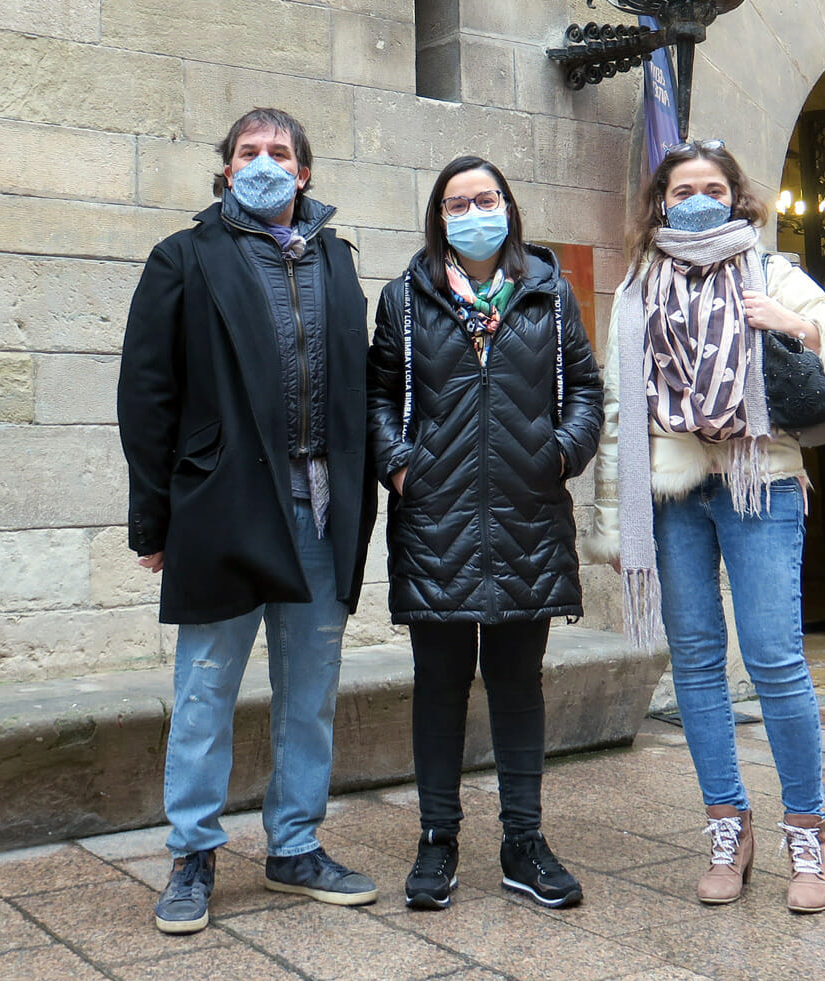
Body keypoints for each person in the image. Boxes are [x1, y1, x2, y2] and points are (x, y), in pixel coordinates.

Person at [581, 139, 825, 913]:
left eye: (713, 186)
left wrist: (798, 328)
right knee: (697, 666)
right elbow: (620, 415)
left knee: (777, 659)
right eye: (683, 190)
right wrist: (616, 528)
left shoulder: (773, 273)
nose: (698, 199)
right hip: (675, 494)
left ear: (739, 197)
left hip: (762, 486)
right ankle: (726, 823)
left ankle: (808, 834)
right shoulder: (638, 291)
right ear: (660, 203)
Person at [118, 108, 379, 935]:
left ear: (305, 173)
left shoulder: (339, 261)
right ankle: (192, 854)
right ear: (225, 169)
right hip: (222, 508)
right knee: (205, 690)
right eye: (247, 152)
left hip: (320, 509)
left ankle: (295, 845)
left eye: (279, 153)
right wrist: (151, 522)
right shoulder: (183, 258)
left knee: (310, 695)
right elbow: (146, 397)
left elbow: (358, 387)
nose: (263, 163)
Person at [367, 156, 604, 911]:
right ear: (439, 217)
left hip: (526, 518)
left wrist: (561, 452)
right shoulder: (404, 300)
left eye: (487, 198)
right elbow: (375, 397)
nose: (474, 212)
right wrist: (401, 467)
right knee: (437, 685)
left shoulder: (548, 292)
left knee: (517, 685)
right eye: (457, 202)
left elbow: (587, 390)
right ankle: (437, 840)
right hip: (433, 519)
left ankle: (523, 842)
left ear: (509, 206)